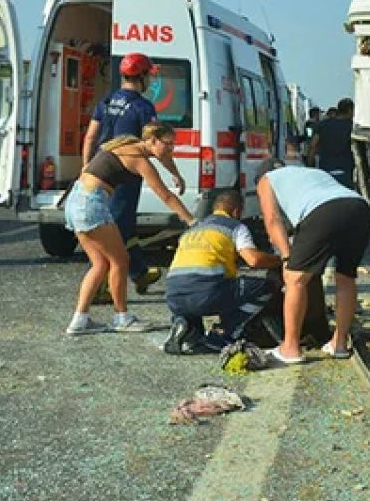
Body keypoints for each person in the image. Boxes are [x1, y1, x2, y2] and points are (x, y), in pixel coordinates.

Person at [63, 122, 196, 335]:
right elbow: (166, 196)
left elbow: (164, 158)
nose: (171, 149)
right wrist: (190, 220)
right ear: (152, 141)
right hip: (91, 204)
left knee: (100, 264)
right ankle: (121, 317)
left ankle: (79, 321)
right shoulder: (139, 160)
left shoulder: (130, 143)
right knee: (120, 261)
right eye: (168, 144)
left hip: (76, 201)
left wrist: (176, 174)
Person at [81, 52, 185, 294]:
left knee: (114, 226)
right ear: (141, 77)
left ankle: (138, 271)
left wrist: (86, 166)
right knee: (116, 228)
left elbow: (90, 136)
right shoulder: (142, 107)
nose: (151, 80)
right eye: (149, 75)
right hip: (125, 175)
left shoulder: (106, 102)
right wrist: (175, 174)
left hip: (100, 172)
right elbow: (157, 146)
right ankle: (102, 287)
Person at [255, 158, 370, 363]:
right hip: (360, 208)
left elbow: (272, 221)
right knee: (345, 277)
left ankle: (290, 348)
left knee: (295, 279)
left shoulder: (266, 181)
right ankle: (339, 343)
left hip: (323, 212)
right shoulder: (311, 172)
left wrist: (286, 257)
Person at [162, 189, 282, 354]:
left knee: (198, 292)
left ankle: (185, 325)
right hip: (206, 294)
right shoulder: (234, 226)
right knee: (266, 286)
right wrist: (281, 258)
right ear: (237, 211)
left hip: (174, 296)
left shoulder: (193, 230)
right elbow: (254, 260)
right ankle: (224, 334)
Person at [307, 98, 355, 188]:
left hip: (325, 169)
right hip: (345, 170)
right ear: (350, 110)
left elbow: (312, 146)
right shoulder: (352, 127)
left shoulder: (322, 125)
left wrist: (309, 165)